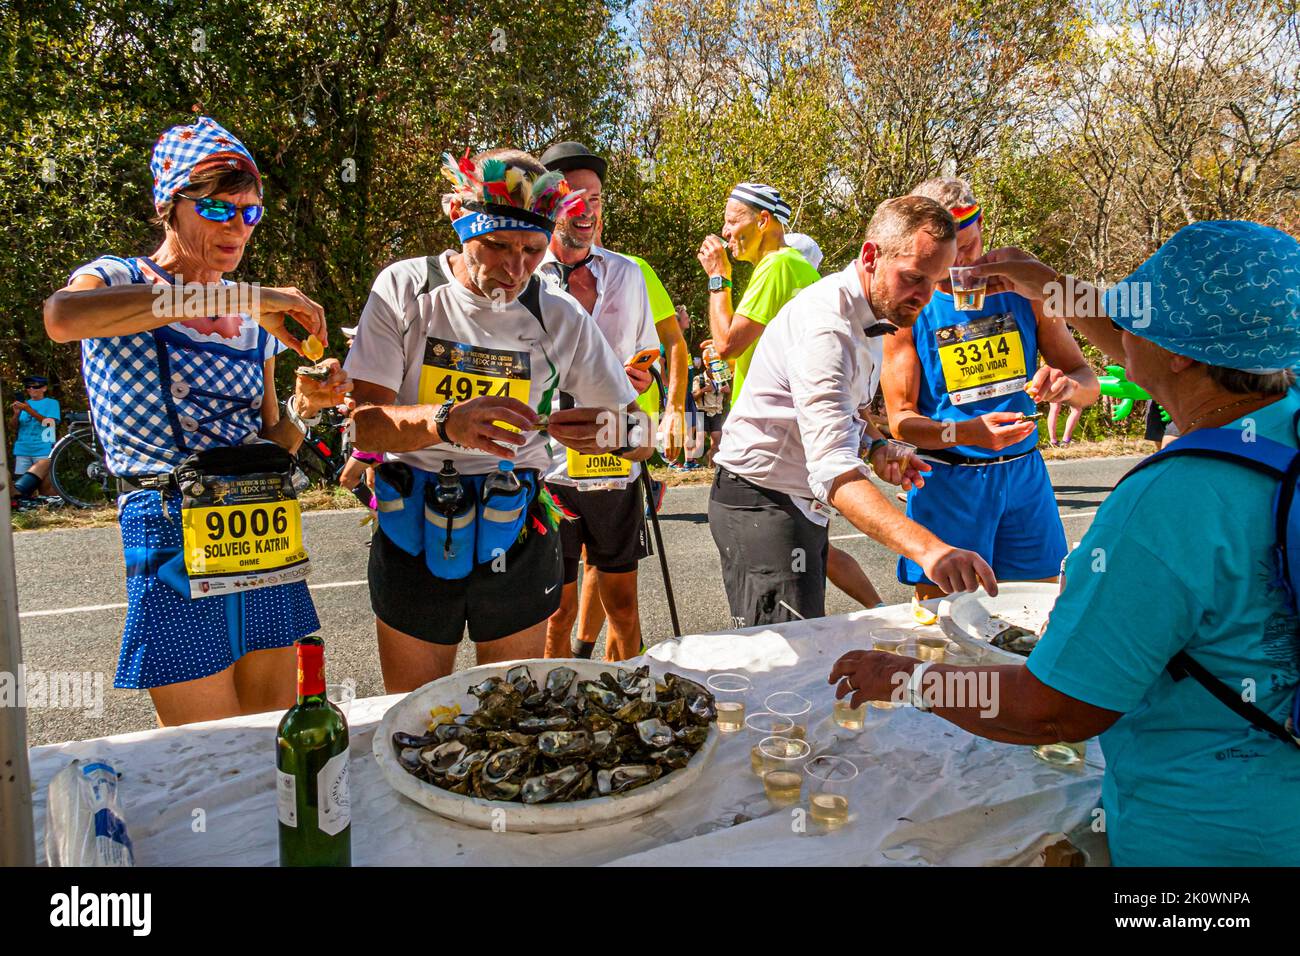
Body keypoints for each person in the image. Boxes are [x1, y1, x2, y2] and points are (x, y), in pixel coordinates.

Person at [831, 220, 1300, 866]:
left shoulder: (1169, 503)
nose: (1119, 326)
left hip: (1200, 845)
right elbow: (1157, 351)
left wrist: (908, 679)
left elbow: (1053, 710)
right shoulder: (1282, 412)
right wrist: (1042, 281)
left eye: (1140, 311)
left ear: (1182, 352)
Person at [42, 116, 344, 726]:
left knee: (280, 735)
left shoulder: (255, 320)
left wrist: (304, 410)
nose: (237, 227)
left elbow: (272, 446)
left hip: (261, 521)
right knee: (205, 751)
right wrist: (234, 296)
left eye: (250, 213)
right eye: (217, 209)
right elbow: (62, 317)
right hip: (171, 521)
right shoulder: (121, 277)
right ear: (169, 206)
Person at [345, 147, 651, 691]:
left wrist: (605, 433)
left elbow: (639, 436)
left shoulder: (557, 311)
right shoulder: (406, 287)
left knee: (510, 711)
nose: (514, 269)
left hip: (516, 522)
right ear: (462, 229)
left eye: (532, 251)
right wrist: (446, 422)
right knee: (413, 711)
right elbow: (363, 425)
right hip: (412, 518)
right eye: (496, 246)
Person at [709, 196, 998, 628]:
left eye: (935, 281)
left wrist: (878, 444)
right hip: (761, 502)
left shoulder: (878, 305)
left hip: (799, 501)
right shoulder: (827, 328)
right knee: (782, 667)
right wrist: (930, 550)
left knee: (803, 650)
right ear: (870, 256)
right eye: (914, 277)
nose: (923, 296)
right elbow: (833, 471)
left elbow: (853, 405)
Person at [881, 178, 1098, 602]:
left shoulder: (1025, 289)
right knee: (943, 629)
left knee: (1039, 614)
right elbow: (900, 422)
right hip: (948, 480)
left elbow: (1086, 382)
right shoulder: (910, 306)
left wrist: (1067, 387)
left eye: (970, 245)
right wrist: (965, 434)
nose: (960, 260)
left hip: (1024, 476)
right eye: (948, 252)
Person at [532, 142, 684, 663]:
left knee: (622, 603)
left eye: (595, 198)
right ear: (548, 203)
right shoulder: (526, 277)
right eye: (574, 198)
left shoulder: (627, 273)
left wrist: (642, 377)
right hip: (548, 465)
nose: (587, 210)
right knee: (555, 609)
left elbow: (651, 358)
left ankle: (630, 699)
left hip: (614, 457)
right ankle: (555, 710)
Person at [697, 182, 821, 400]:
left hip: (761, 424)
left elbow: (726, 345)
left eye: (732, 222)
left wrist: (718, 275)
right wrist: (734, 362)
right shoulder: (801, 266)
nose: (725, 232)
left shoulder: (775, 264)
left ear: (763, 220)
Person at [9, 375, 60, 499]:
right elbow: (13, 427)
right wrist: (16, 414)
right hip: (23, 448)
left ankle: (49, 504)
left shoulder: (51, 403)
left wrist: (28, 409)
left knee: (45, 486)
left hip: (43, 447)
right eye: (28, 387)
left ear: (44, 388)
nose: (31, 389)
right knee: (23, 486)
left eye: (36, 386)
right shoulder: (23, 405)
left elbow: (49, 423)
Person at [692, 353, 729, 466]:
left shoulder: (722, 378)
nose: (716, 370)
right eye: (714, 367)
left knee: (716, 444)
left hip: (717, 412)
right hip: (702, 412)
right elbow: (693, 396)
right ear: (708, 367)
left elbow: (728, 398)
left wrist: (728, 392)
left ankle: (711, 465)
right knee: (700, 442)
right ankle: (691, 463)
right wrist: (703, 390)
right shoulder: (699, 379)